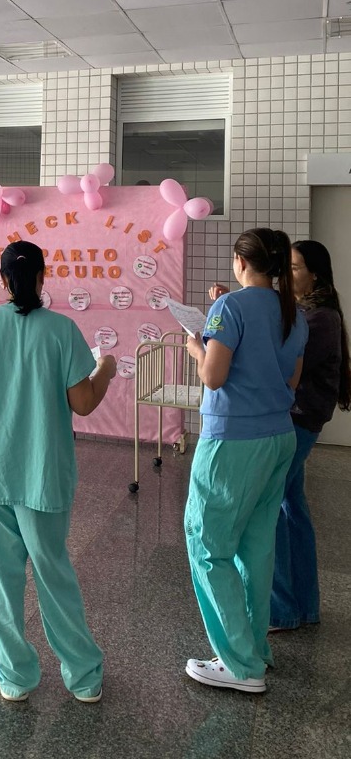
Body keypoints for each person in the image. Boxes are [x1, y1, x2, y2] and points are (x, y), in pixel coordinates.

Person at [0, 240, 117, 703]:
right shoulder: (62, 331)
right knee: (53, 573)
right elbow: (82, 403)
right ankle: (83, 676)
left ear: (3, 280)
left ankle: (14, 677)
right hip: (42, 473)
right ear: (43, 277)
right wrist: (105, 370)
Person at [184, 228, 307, 694]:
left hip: (232, 441)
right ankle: (255, 649)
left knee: (208, 545)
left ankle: (239, 664)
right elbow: (291, 381)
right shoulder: (293, 313)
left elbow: (213, 377)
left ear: (240, 262)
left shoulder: (229, 308)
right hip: (278, 437)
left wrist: (196, 346)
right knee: (256, 548)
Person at [269, 240, 350, 631]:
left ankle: (282, 610)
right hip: (299, 419)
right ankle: (305, 606)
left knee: (270, 508)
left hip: (299, 421)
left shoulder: (319, 319)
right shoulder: (307, 310)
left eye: (295, 268)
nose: (286, 275)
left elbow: (285, 365)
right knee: (292, 508)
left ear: (315, 274)